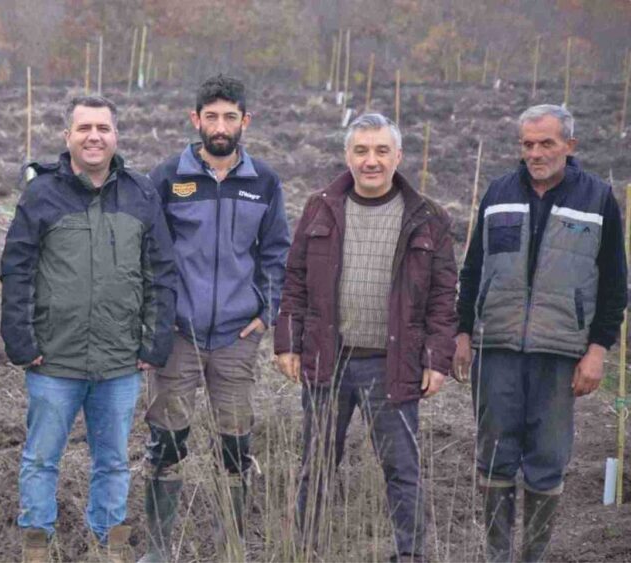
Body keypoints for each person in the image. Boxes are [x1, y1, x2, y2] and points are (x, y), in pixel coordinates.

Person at [0, 95, 177, 563]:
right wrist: (21, 341)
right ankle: (37, 543)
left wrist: (154, 343)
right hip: (54, 359)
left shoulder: (141, 195)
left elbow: (161, 273)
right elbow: (17, 270)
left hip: (119, 361)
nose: (93, 136)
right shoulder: (41, 195)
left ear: (115, 136)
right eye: (84, 128)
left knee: (114, 460)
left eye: (102, 128)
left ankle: (109, 543)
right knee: (41, 458)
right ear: (68, 137)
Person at [274, 113, 457, 562]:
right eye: (361, 151)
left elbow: (442, 295)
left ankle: (409, 554)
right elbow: (295, 279)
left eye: (380, 151)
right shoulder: (320, 208)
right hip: (328, 359)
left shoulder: (427, 217)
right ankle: (307, 551)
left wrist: (437, 358)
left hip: (393, 364)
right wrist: (288, 341)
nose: (370, 161)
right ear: (347, 155)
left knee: (402, 468)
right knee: (317, 465)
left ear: (398, 156)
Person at [454, 104, 627, 562]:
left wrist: (598, 349)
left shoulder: (597, 199)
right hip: (497, 347)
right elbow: (473, 269)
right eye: (527, 144)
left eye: (546, 143)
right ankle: (496, 555)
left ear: (569, 145)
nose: (535, 153)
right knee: (494, 455)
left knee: (548, 459)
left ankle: (533, 555)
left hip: (560, 352)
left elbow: (615, 284)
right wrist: (463, 331)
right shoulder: (498, 193)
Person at [139, 75, 291, 562]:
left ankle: (232, 547)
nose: (220, 126)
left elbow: (276, 253)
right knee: (167, 440)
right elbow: (149, 252)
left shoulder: (264, 182)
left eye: (230, 117)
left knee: (235, 443)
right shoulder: (167, 178)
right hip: (178, 336)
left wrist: (266, 312)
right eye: (211, 117)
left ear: (245, 121)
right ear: (195, 120)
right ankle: (159, 550)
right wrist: (159, 317)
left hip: (236, 337)